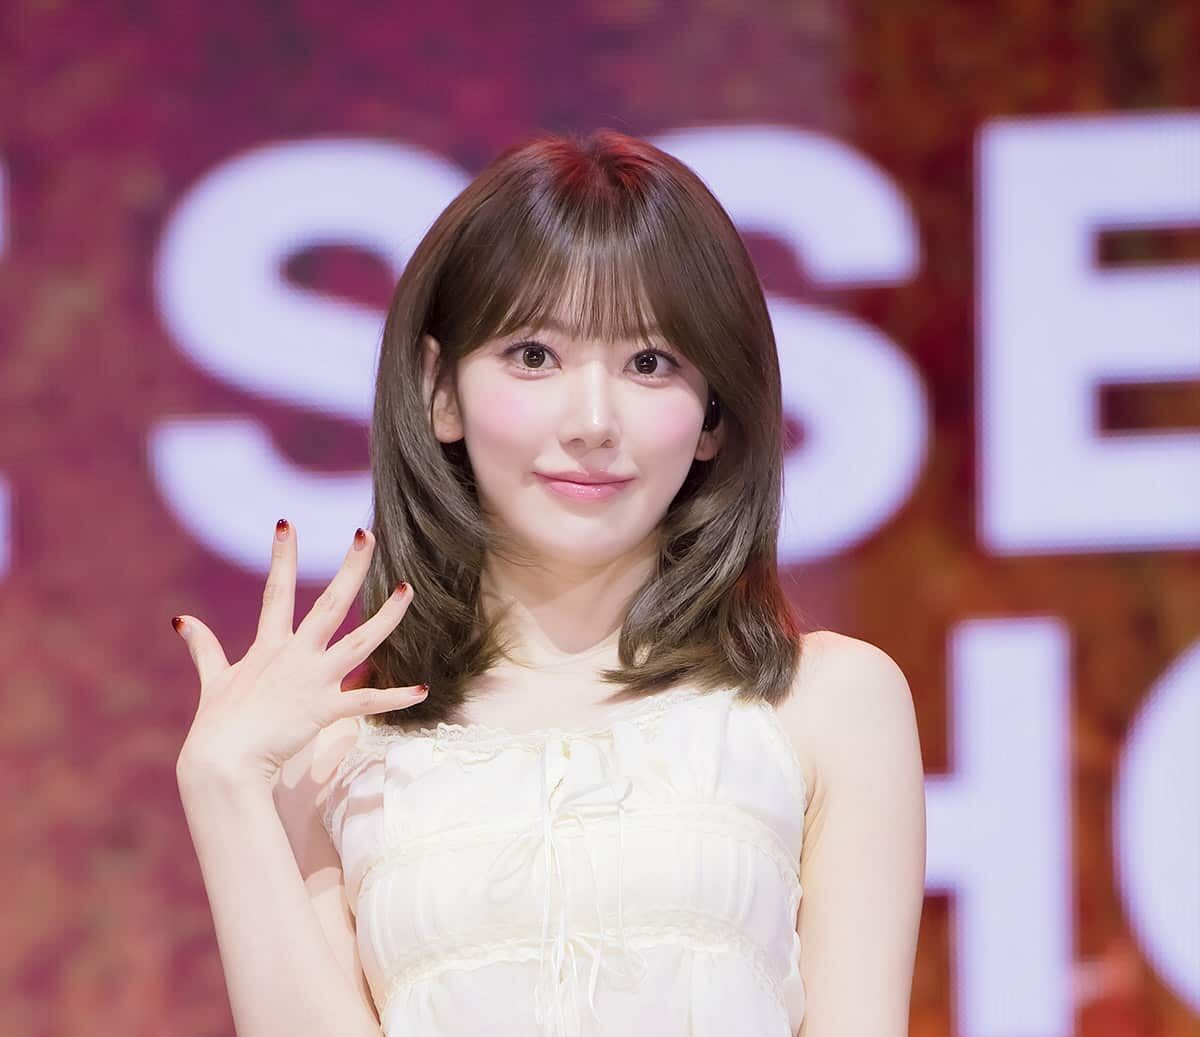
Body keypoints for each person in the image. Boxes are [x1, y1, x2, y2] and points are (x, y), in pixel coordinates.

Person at [173, 128, 926, 1037]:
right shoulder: (337, 756)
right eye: (535, 355)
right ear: (439, 391)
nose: (593, 421)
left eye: (650, 362)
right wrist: (224, 785)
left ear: (714, 415)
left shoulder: (826, 704)